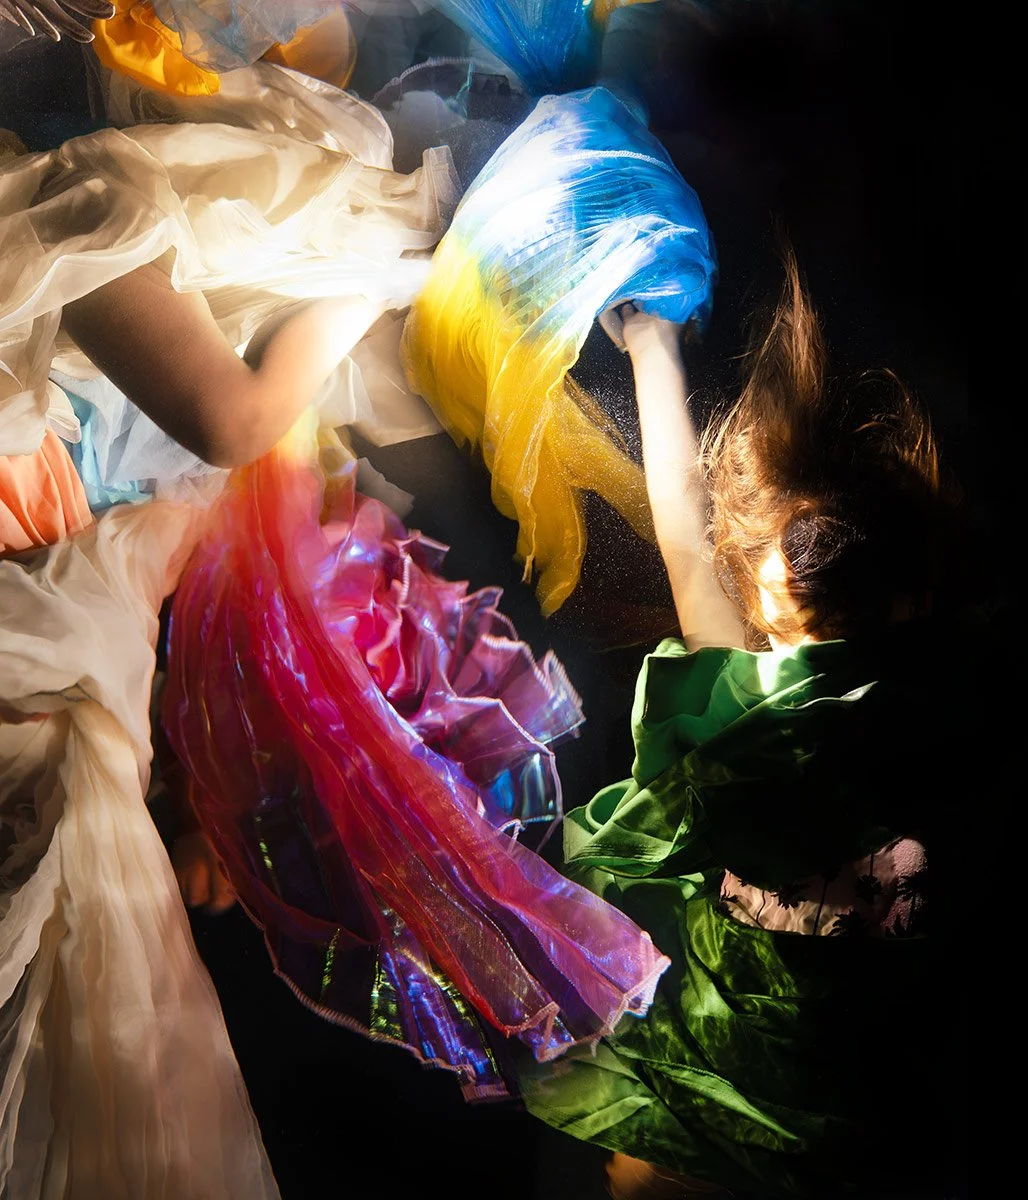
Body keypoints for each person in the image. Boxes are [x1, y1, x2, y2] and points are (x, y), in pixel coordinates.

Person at [519, 247, 978, 1199]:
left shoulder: (745, 709)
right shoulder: (954, 699)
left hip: (756, 1045)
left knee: (642, 1162)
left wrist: (652, 346)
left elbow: (685, 532)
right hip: (865, 1087)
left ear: (778, 613)